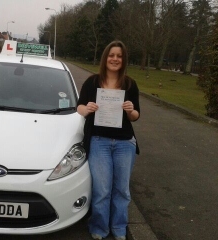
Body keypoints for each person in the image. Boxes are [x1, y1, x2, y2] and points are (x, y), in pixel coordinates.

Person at [77, 40, 140, 240]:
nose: (115, 59)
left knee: (122, 189)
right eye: (111, 55)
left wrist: (131, 111)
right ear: (105, 58)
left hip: (124, 142)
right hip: (99, 141)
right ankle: (99, 227)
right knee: (102, 189)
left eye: (119, 56)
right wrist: (87, 110)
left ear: (123, 60)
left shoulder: (129, 84)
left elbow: (136, 116)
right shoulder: (92, 82)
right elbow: (79, 106)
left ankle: (119, 227)